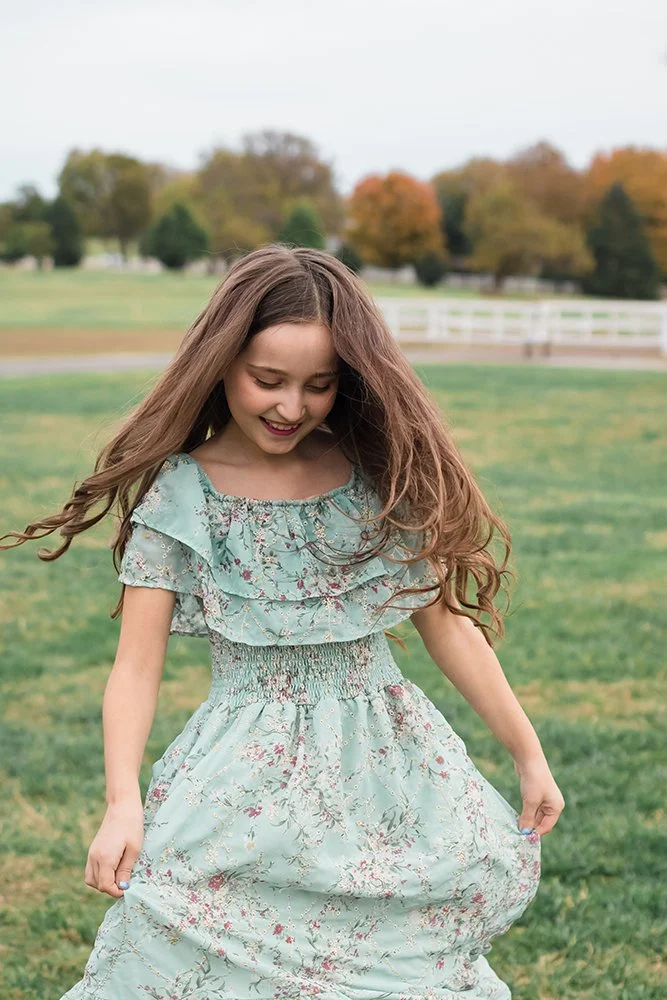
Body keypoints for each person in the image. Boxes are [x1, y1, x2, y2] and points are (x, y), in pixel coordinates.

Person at [3, 244, 564, 999]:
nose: (290, 407)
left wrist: (526, 754)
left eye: (319, 386)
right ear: (221, 364)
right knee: (182, 933)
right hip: (239, 770)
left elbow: (445, 625)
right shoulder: (183, 496)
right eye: (267, 380)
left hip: (384, 765)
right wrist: (121, 801)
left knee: (386, 964)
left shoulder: (376, 480)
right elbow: (134, 670)